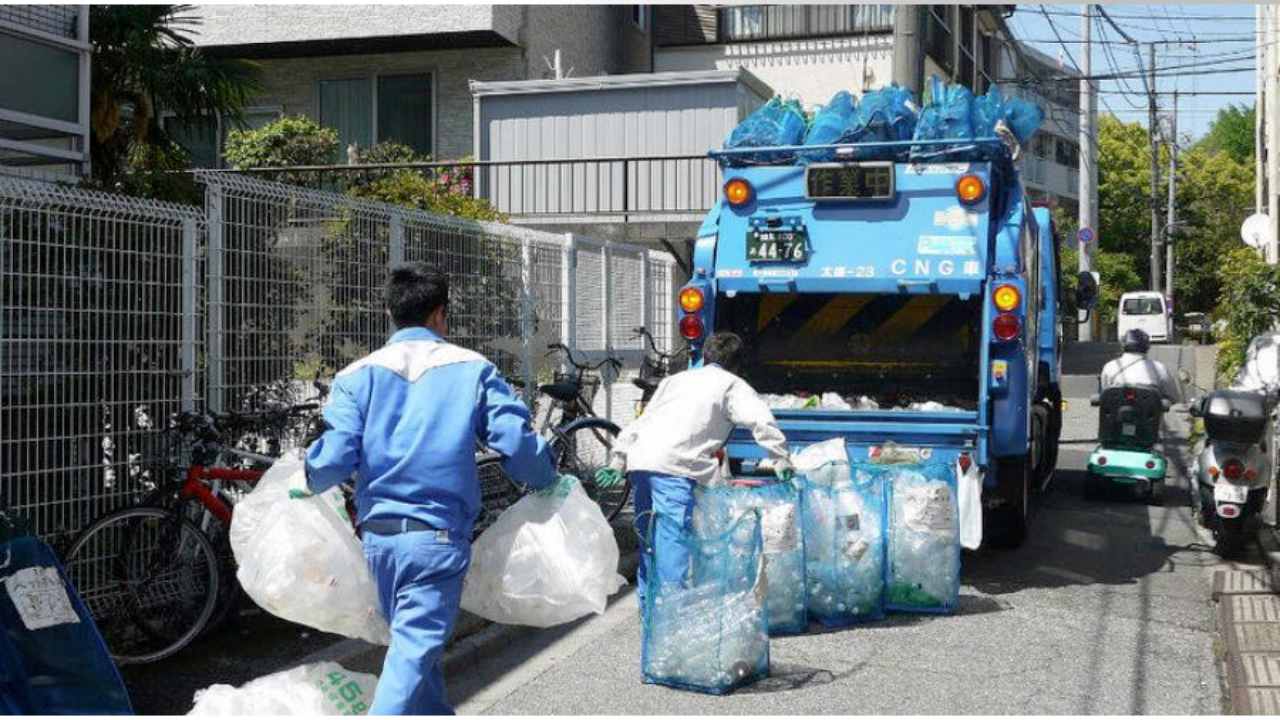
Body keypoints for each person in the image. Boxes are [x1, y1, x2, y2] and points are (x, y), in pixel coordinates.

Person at [300, 262, 566, 715]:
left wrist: (302, 476)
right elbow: (518, 446)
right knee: (413, 655)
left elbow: (332, 459)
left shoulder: (355, 376)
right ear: (441, 314)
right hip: (436, 539)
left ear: (389, 312)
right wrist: (549, 482)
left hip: (379, 540)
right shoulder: (472, 369)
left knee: (416, 654)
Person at [593, 331, 793, 609]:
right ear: (737, 363)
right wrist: (780, 458)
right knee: (671, 539)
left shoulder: (674, 381)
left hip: (641, 462)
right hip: (677, 467)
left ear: (704, 356)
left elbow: (644, 419)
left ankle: (649, 608)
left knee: (648, 538)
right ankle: (671, 616)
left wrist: (618, 459)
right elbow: (761, 420)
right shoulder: (732, 385)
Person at [1100, 328, 1182, 403]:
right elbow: (1173, 397)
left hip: (1116, 418)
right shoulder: (1159, 368)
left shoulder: (1109, 367)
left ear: (1123, 346)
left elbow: (1105, 393)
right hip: (1152, 418)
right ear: (1147, 347)